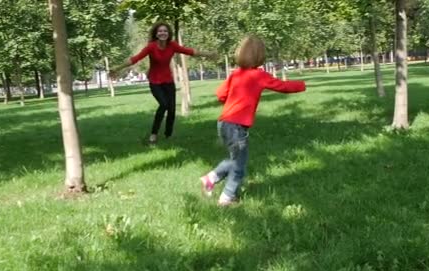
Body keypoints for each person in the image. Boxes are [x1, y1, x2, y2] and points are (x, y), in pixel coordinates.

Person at [199, 36, 306, 206]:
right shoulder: (259, 75)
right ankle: (226, 198)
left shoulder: (235, 74)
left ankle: (211, 178)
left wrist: (233, 101)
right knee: (239, 166)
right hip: (236, 127)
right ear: (259, 56)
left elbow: (220, 94)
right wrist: (302, 85)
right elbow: (282, 87)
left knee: (235, 159)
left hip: (223, 123)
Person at [110, 22, 215, 144]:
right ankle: (153, 134)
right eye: (160, 31)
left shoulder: (172, 45)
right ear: (156, 33)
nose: (162, 33)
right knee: (164, 105)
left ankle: (168, 135)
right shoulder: (151, 47)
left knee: (171, 110)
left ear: (168, 33)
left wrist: (208, 54)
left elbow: (189, 51)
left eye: (165, 31)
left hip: (168, 82)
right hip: (155, 82)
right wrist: (117, 68)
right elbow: (135, 59)